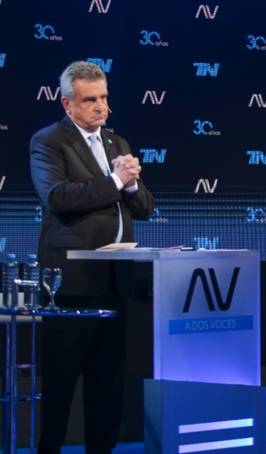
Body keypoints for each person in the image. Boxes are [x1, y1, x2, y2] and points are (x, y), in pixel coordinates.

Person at [30, 61, 154, 453]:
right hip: (70, 284)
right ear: (67, 104)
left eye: (103, 97)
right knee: (60, 383)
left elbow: (145, 208)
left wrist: (130, 185)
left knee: (107, 386)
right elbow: (58, 197)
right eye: (89, 100)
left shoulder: (118, 144)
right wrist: (116, 180)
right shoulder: (49, 141)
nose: (101, 107)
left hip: (114, 283)